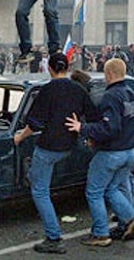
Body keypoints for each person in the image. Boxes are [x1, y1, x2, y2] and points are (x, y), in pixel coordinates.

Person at [14, 52, 99, 254]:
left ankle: (54, 237)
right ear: (67, 68)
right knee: (41, 180)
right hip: (68, 146)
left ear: (49, 68)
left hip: (48, 147)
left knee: (39, 190)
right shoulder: (79, 89)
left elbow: (34, 123)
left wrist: (19, 137)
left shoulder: (47, 90)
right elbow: (94, 116)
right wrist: (87, 134)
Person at [66, 58, 134, 247]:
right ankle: (131, 218)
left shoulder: (111, 96)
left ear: (109, 75)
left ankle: (101, 234)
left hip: (111, 154)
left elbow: (110, 128)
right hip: (129, 152)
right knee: (112, 189)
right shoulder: (131, 93)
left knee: (94, 192)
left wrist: (82, 127)